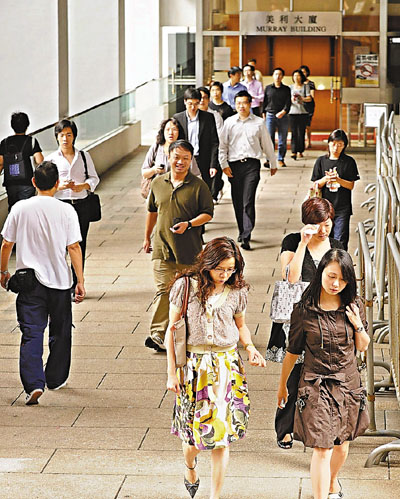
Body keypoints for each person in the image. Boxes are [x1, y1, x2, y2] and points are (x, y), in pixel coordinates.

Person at [166, 236, 266, 499]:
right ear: (207, 263)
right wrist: (171, 373)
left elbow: (241, 325)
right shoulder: (184, 286)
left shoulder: (237, 290)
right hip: (193, 369)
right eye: (220, 269)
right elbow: (171, 331)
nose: (225, 275)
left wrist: (250, 347)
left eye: (230, 269)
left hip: (226, 367)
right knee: (192, 439)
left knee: (221, 438)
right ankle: (190, 466)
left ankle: (215, 496)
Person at [277, 248, 370, 499]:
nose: (336, 283)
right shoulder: (303, 310)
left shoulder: (354, 305)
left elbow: (363, 346)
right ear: (321, 273)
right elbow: (292, 352)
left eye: (342, 279)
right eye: (331, 276)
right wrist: (282, 386)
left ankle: (332, 481)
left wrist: (357, 325)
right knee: (322, 448)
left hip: (347, 383)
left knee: (341, 446)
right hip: (315, 384)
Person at [0, 161, 85, 405]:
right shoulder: (66, 211)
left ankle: (34, 384)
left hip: (29, 283)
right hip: (60, 282)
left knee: (31, 332)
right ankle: (55, 378)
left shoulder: (20, 208)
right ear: (57, 184)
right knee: (61, 331)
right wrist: (80, 280)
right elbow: (73, 247)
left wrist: (3, 271)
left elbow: (6, 243)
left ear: (33, 182)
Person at [266, 198, 343, 450]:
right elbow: (290, 277)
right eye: (318, 224)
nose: (323, 230)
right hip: (299, 318)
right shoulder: (292, 242)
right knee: (294, 372)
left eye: (327, 224)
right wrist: (303, 244)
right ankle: (285, 428)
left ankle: (321, 426)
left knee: (326, 374)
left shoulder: (337, 246)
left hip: (327, 317)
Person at [143, 140, 214, 352]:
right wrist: (147, 237)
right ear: (169, 157)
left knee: (191, 294)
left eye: (185, 158)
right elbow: (152, 212)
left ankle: (195, 331)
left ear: (191, 160)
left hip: (189, 250)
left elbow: (208, 214)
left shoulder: (198, 186)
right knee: (163, 291)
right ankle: (158, 334)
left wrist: (189, 224)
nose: (180, 162)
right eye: (177, 157)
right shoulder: (158, 183)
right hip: (162, 248)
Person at [46, 119, 99, 297]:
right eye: (62, 135)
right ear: (57, 137)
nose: (65, 139)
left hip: (81, 205)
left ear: (74, 136)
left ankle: (76, 284)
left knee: (79, 244)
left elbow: (94, 178)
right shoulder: (51, 159)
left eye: (69, 135)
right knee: (59, 245)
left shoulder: (83, 156)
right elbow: (44, 185)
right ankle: (61, 283)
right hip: (60, 206)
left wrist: (83, 186)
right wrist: (59, 187)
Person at [219, 90, 277, 251]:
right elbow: (222, 146)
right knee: (237, 200)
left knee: (248, 200)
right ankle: (241, 230)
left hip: (252, 165)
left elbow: (267, 143)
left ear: (250, 104)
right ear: (235, 104)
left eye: (244, 103)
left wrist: (272, 162)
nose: (241, 106)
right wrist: (224, 164)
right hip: (234, 166)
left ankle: (246, 235)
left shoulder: (258, 123)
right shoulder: (229, 123)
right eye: (238, 103)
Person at [311, 129, 360, 250]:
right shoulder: (321, 161)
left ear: (344, 145)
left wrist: (338, 180)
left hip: (342, 207)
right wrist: (326, 179)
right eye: (333, 144)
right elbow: (316, 184)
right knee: (325, 238)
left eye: (340, 144)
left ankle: (340, 260)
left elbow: (351, 185)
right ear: (328, 143)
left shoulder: (349, 162)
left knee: (340, 239)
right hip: (324, 208)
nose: (336, 147)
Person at [173, 88, 219, 191]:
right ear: (185, 102)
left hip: (203, 160)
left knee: (204, 191)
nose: (193, 107)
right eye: (190, 104)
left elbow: (214, 143)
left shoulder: (208, 118)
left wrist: (213, 165)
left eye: (196, 104)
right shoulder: (178, 118)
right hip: (184, 159)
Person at [0, 112, 44, 212]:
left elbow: (0, 163)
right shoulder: (31, 141)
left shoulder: (5, 142)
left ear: (12, 126)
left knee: (13, 210)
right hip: (27, 182)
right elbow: (39, 161)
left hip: (10, 183)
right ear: (27, 125)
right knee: (27, 210)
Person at [197, 86, 224, 203]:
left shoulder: (215, 116)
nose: (202, 100)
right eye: (200, 98)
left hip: (212, 149)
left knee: (213, 173)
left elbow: (219, 136)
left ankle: (213, 195)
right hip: (197, 152)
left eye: (205, 98)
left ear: (209, 99)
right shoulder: (192, 116)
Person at [262, 67, 291, 168]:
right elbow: (265, 102)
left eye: (280, 74)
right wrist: (263, 113)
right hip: (270, 115)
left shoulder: (286, 89)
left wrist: (283, 112)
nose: (277, 76)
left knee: (282, 139)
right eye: (276, 74)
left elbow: (288, 103)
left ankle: (280, 159)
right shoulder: (268, 88)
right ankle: (269, 159)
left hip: (283, 116)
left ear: (282, 76)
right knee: (269, 139)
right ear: (273, 76)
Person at [289, 69, 312, 160]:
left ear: (301, 77)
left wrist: (302, 98)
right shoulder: (290, 87)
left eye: (298, 75)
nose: (296, 77)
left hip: (303, 112)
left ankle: (300, 150)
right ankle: (293, 151)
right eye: (294, 76)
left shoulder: (306, 87)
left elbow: (309, 98)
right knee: (294, 132)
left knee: (301, 132)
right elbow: (287, 99)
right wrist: (291, 99)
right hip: (292, 112)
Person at [300, 65, 316, 149]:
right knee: (300, 125)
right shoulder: (298, 83)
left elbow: (312, 96)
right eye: (301, 72)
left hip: (308, 106)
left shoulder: (311, 83)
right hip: (299, 105)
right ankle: (301, 142)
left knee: (307, 125)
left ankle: (308, 141)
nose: (303, 74)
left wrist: (303, 98)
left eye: (304, 72)